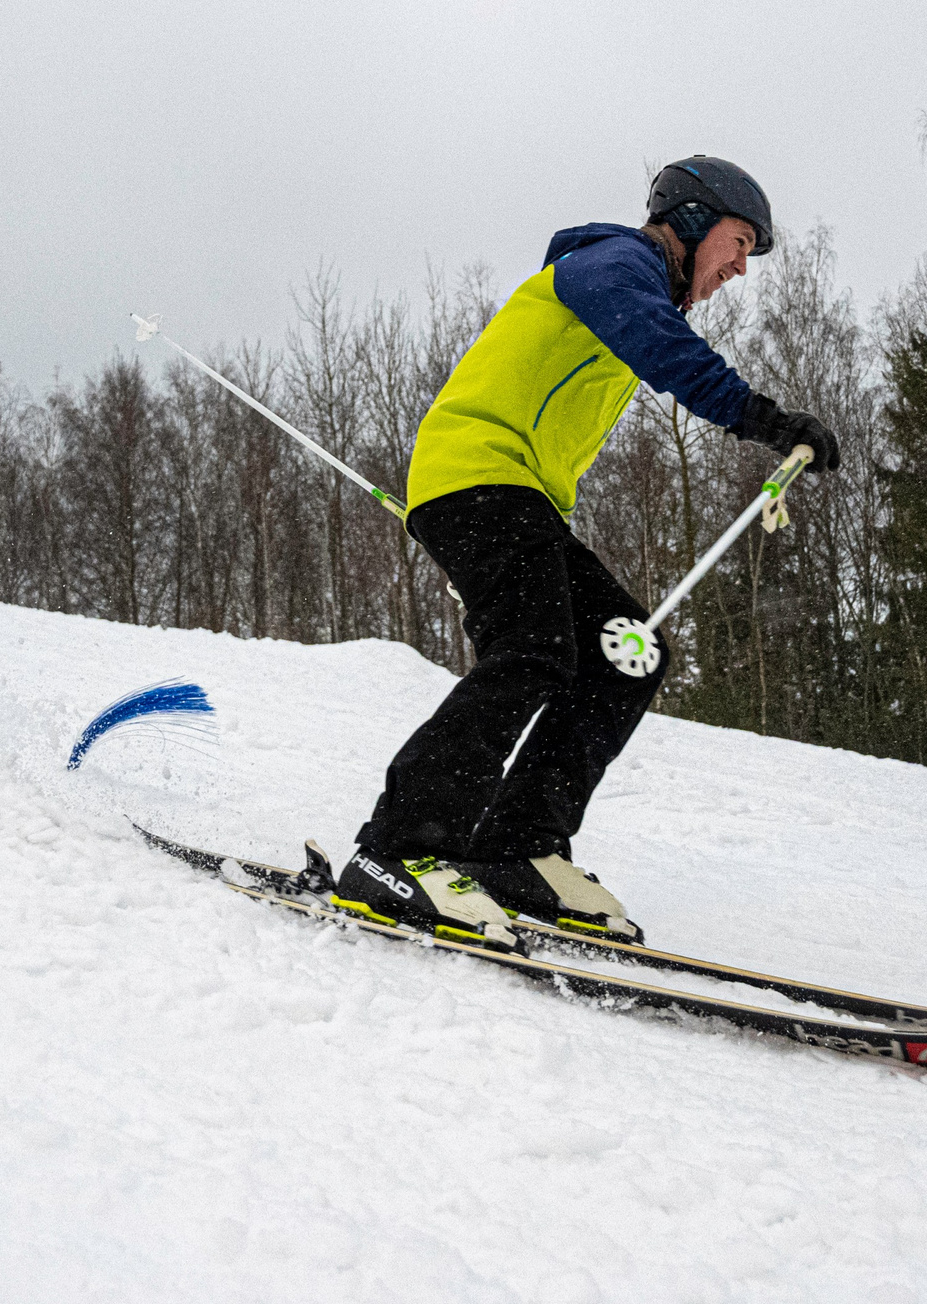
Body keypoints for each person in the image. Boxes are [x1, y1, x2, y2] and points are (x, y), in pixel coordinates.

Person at [329, 157, 840, 951]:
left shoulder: (631, 284)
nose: (740, 269)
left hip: (518, 495)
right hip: (470, 478)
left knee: (627, 655)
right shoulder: (611, 265)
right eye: (739, 244)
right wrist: (762, 418)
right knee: (531, 647)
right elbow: (661, 346)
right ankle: (400, 849)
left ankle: (514, 849)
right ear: (696, 221)